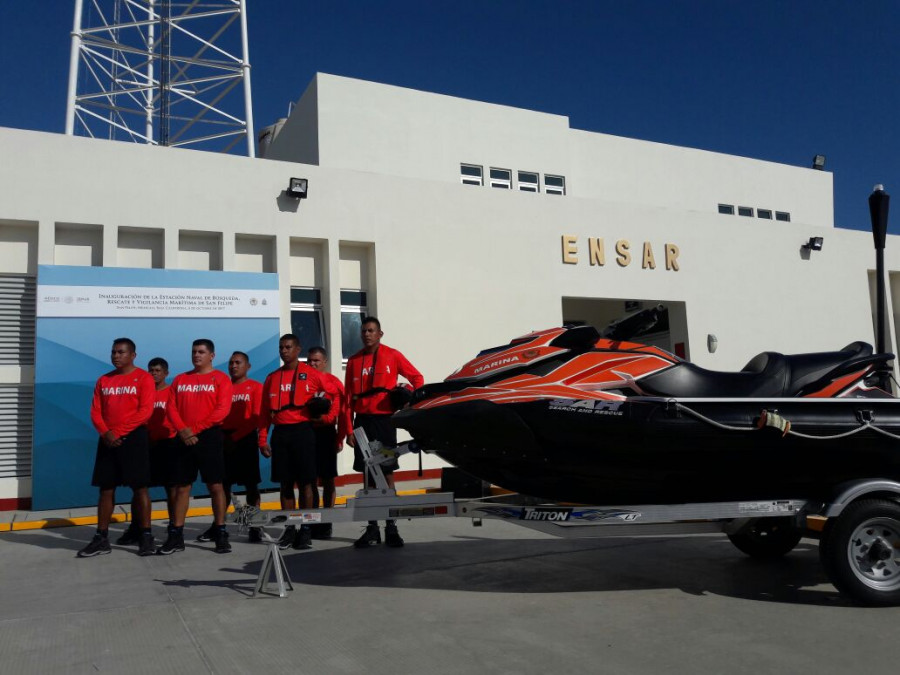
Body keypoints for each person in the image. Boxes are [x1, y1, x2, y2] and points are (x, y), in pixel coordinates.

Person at [344, 316, 424, 548]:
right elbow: (348, 399)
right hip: (362, 422)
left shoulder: (393, 355)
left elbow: (417, 378)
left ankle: (391, 527)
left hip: (384, 421)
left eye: (371, 330)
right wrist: (348, 429)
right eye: (364, 331)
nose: (367, 334)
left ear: (380, 334)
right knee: (367, 474)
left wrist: (410, 401)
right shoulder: (353, 361)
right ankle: (372, 529)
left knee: (387, 472)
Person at [79, 338, 155, 557]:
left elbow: (145, 412)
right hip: (108, 440)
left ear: (133, 355)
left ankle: (146, 535)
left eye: (121, 352)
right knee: (106, 489)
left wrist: (118, 433)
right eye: (113, 352)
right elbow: (96, 412)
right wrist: (106, 433)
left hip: (133, 438)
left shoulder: (144, 378)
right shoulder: (104, 380)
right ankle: (101, 538)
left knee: (140, 488)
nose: (115, 356)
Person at [161, 339, 233, 555]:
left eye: (201, 352)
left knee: (216, 486)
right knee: (182, 488)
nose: (196, 355)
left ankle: (220, 531)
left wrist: (195, 429)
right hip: (183, 437)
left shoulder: (221, 379)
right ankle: (176, 535)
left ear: (212, 355)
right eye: (194, 351)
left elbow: (222, 410)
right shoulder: (181, 379)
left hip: (209, 436)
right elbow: (170, 407)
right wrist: (183, 430)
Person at [260, 334, 327, 550]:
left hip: (303, 431)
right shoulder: (272, 378)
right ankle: (290, 529)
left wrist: (325, 416)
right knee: (285, 483)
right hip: (280, 433)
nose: (284, 351)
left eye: (288, 347)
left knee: (306, 482)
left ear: (298, 349)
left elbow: (334, 395)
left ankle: (305, 529)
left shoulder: (312, 375)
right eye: (281, 347)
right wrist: (263, 439)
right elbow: (263, 413)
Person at [199, 351, 264, 544]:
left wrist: (237, 437)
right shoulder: (222, 385)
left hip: (244, 440)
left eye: (238, 362)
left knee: (251, 485)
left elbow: (256, 418)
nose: (233, 366)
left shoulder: (255, 387)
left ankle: (254, 525)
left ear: (247, 366)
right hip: (222, 438)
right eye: (231, 363)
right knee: (222, 485)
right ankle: (218, 526)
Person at [115, 357, 177, 547]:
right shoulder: (143, 390)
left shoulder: (172, 392)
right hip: (145, 445)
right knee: (139, 488)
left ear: (166, 373)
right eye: (151, 370)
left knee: (171, 488)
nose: (154, 374)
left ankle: (174, 528)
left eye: (158, 370)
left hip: (168, 444)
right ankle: (136, 527)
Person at [306, 346, 345, 539]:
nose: (312, 364)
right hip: (308, 433)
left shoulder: (334, 383)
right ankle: (313, 521)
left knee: (328, 479)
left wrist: (340, 437)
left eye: (316, 361)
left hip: (327, 434)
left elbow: (340, 411)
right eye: (309, 361)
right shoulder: (304, 382)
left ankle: (327, 521)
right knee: (310, 479)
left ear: (325, 362)